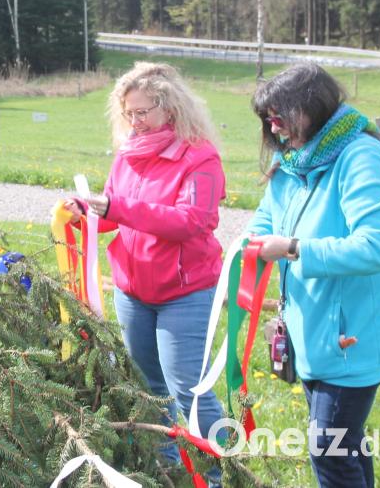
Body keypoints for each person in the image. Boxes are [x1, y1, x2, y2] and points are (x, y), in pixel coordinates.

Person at [245, 63, 380, 487]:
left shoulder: (362, 157)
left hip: (354, 334)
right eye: (269, 117)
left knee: (329, 448)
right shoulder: (294, 159)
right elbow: (266, 218)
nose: (275, 126)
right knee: (343, 443)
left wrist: (291, 249)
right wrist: (249, 244)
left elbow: (376, 245)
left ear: (312, 107)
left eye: (280, 115)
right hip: (315, 329)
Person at [63, 62, 226, 466]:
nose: (134, 121)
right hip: (132, 291)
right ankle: (165, 468)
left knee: (188, 387)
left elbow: (193, 221)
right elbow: (115, 212)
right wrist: (86, 213)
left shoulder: (200, 157)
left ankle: (221, 469)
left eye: (142, 112)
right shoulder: (128, 154)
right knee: (147, 386)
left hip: (184, 293)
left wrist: (118, 207)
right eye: (128, 113)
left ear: (169, 107)